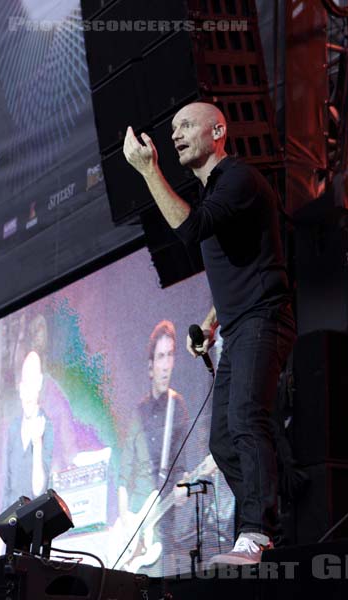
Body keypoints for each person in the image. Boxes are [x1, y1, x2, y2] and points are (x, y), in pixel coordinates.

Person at [123, 101, 296, 565]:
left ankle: (257, 532)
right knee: (222, 439)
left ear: (218, 129)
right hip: (239, 325)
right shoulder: (218, 193)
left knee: (244, 419)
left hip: (265, 318)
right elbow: (245, 264)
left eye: (186, 125)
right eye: (173, 126)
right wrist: (212, 322)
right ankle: (271, 524)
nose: (176, 133)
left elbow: (189, 229)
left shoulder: (237, 178)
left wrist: (147, 170)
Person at [113, 320, 189, 575]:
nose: (166, 364)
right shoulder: (138, 413)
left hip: (163, 524)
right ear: (150, 366)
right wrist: (126, 520)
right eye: (160, 357)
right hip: (135, 518)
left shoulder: (177, 407)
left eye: (170, 355)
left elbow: (181, 468)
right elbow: (124, 472)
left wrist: (183, 488)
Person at [3, 350, 53, 508]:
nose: (28, 390)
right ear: (20, 387)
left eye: (32, 381)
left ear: (39, 383)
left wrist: (37, 444)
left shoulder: (48, 426)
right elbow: (7, 485)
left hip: (34, 522)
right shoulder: (13, 428)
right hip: (11, 523)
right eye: (25, 382)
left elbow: (39, 490)